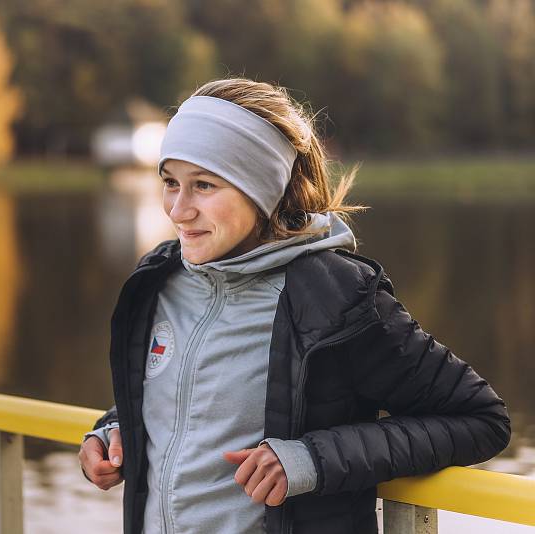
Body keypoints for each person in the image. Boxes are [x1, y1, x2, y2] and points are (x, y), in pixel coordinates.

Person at [78, 78, 511, 534]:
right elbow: (188, 403)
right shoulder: (158, 282)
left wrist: (312, 459)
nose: (178, 210)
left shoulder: (335, 297)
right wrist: (114, 431)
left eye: (203, 185)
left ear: (261, 190)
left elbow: (481, 421)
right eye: (170, 182)